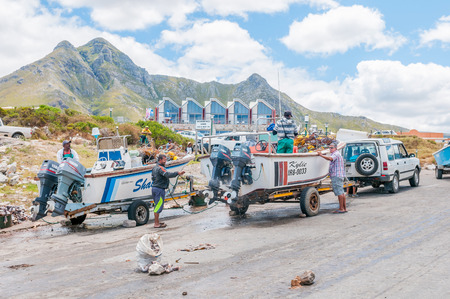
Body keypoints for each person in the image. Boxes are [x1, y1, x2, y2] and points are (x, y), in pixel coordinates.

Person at [151, 154, 185, 228]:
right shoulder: (160, 168)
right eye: (164, 160)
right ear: (160, 160)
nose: (165, 161)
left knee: (157, 205)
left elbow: (152, 178)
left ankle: (157, 222)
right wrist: (177, 173)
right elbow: (167, 174)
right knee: (158, 206)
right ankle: (156, 224)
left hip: (154, 188)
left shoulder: (154, 168)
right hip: (159, 189)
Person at [317, 142, 347, 213]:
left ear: (335, 148)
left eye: (332, 148)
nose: (330, 149)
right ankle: (344, 208)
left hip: (336, 175)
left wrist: (321, 155)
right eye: (329, 147)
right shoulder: (337, 153)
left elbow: (330, 158)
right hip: (339, 175)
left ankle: (341, 208)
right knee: (341, 192)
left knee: (339, 192)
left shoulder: (335, 154)